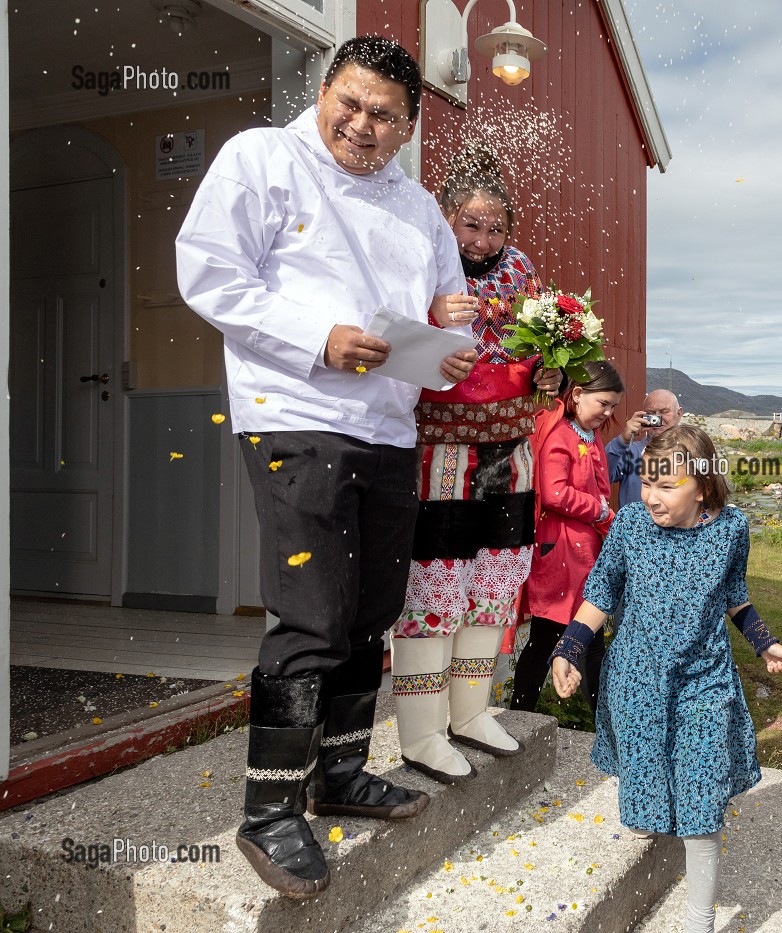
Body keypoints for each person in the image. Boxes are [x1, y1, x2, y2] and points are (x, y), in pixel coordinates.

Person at [175, 37, 478, 896]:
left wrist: (450, 338)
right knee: (311, 612)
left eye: (384, 115)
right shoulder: (263, 157)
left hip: (388, 426)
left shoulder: (419, 208)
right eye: (349, 102)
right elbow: (209, 273)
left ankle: (339, 772)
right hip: (296, 414)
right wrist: (321, 339)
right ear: (323, 90)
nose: (361, 124)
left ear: (411, 125)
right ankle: (270, 809)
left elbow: (448, 324)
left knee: (370, 609)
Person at [548, 425, 782, 933]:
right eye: (646, 482)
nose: (652, 496)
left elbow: (735, 594)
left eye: (667, 486)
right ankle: (645, 815)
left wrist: (764, 641)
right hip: (637, 679)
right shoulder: (632, 524)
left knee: (701, 804)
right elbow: (602, 592)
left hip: (703, 680)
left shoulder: (731, 529)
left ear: (703, 486)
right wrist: (570, 648)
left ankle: (699, 921)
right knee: (644, 792)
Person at [389, 144, 563, 784]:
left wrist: (550, 371)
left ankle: (470, 711)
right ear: (448, 215)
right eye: (472, 224)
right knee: (438, 582)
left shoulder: (521, 272)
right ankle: (422, 731)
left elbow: (542, 345)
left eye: (496, 227)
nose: (484, 240)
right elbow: (392, 337)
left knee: (494, 581)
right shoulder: (424, 262)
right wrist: (430, 316)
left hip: (510, 447)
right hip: (441, 447)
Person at [511, 361, 623, 714]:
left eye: (613, 407)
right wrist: (601, 512)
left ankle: (601, 720)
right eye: (603, 403)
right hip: (560, 551)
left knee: (589, 636)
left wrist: (606, 521)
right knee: (546, 637)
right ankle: (521, 714)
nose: (607, 413)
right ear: (576, 394)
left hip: (585, 551)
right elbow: (555, 492)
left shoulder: (591, 436)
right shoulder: (560, 433)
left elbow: (602, 491)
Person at [606, 389, 683, 507]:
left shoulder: (691, 450)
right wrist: (622, 440)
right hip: (634, 524)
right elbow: (601, 476)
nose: (657, 418)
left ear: (679, 414)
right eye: (651, 413)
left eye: (664, 411)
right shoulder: (631, 452)